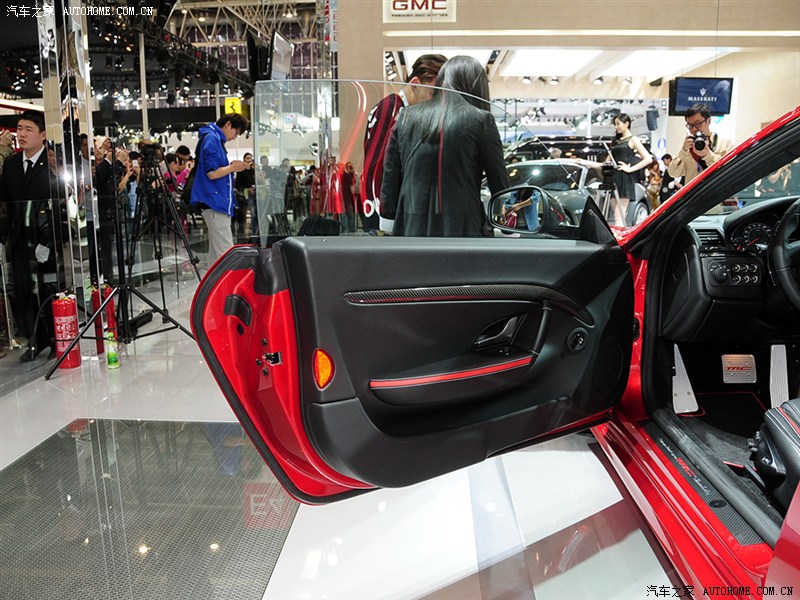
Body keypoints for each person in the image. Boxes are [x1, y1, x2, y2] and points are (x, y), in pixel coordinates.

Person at [381, 55, 509, 237]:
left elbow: (390, 176)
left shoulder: (405, 117)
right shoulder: (482, 120)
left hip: (410, 231)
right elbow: (499, 185)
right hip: (462, 232)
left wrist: (388, 219)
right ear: (478, 87)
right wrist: (507, 221)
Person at [0, 110, 61, 361]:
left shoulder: (52, 164)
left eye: (28, 129)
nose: (22, 134)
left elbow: (61, 205)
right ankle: (35, 339)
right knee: (22, 292)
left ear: (42, 135)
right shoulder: (11, 164)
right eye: (19, 128)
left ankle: (56, 339)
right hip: (18, 240)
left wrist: (50, 240)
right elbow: (5, 202)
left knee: (49, 290)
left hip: (45, 240)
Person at [362, 53, 446, 233]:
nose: (437, 102)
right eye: (433, 93)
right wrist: (381, 218)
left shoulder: (399, 110)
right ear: (415, 84)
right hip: (384, 217)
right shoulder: (393, 109)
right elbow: (377, 167)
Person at [190, 113, 248, 265]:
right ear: (228, 124)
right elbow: (213, 173)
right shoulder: (212, 139)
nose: (234, 137)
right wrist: (233, 167)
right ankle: (230, 280)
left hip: (215, 201)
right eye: (235, 133)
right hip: (214, 201)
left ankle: (213, 280)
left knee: (216, 255)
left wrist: (232, 167)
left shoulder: (213, 138)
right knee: (225, 252)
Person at [578, 113, 652, 226]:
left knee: (619, 215)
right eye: (615, 124)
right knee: (615, 215)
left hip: (625, 179)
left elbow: (648, 159)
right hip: (614, 178)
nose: (616, 127)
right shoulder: (617, 141)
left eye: (618, 124)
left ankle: (618, 237)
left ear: (626, 124)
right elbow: (605, 164)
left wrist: (630, 169)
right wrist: (584, 162)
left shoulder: (633, 139)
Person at [668, 103, 734, 184]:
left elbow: (729, 172)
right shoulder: (689, 147)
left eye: (698, 124)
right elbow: (673, 173)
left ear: (708, 121)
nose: (694, 129)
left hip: (717, 191)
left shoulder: (725, 143)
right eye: (690, 126)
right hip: (695, 192)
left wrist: (708, 155)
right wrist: (683, 150)